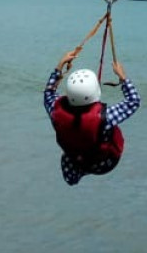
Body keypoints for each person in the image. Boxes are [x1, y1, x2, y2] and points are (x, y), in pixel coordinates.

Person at [44, 52, 141, 186]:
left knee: (72, 163)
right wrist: (123, 77)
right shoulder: (105, 118)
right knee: (106, 130)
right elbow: (134, 101)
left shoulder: (56, 112)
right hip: (105, 163)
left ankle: (75, 176)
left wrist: (59, 66)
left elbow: (49, 93)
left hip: (77, 160)